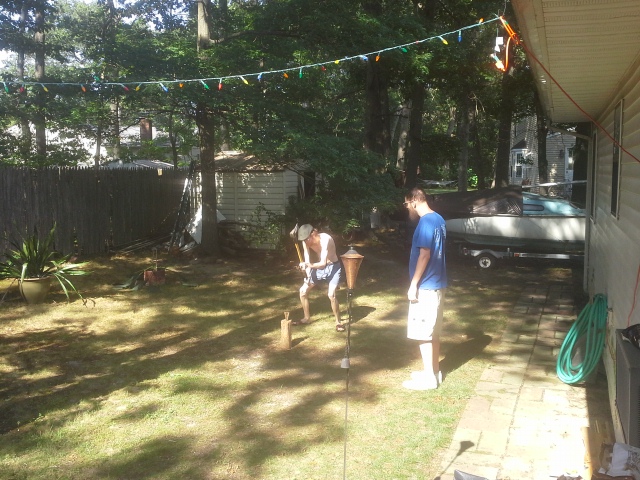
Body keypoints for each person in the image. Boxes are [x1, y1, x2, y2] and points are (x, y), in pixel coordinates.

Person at [402, 187, 448, 390]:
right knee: (432, 332)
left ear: (413, 201)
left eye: (406, 204)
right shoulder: (438, 218)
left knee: (423, 333)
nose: (407, 208)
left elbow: (425, 254)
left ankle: (429, 380)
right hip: (437, 284)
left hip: (427, 287)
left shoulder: (426, 222)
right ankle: (433, 372)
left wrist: (413, 285)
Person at [293, 224, 345, 332]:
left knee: (331, 295)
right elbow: (307, 258)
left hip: (333, 267)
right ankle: (306, 318)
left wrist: (308, 265)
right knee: (302, 291)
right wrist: (307, 273)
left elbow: (322, 263)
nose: (305, 243)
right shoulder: (305, 241)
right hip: (318, 269)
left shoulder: (326, 239)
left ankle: (338, 322)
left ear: (313, 234)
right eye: (303, 240)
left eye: (306, 240)